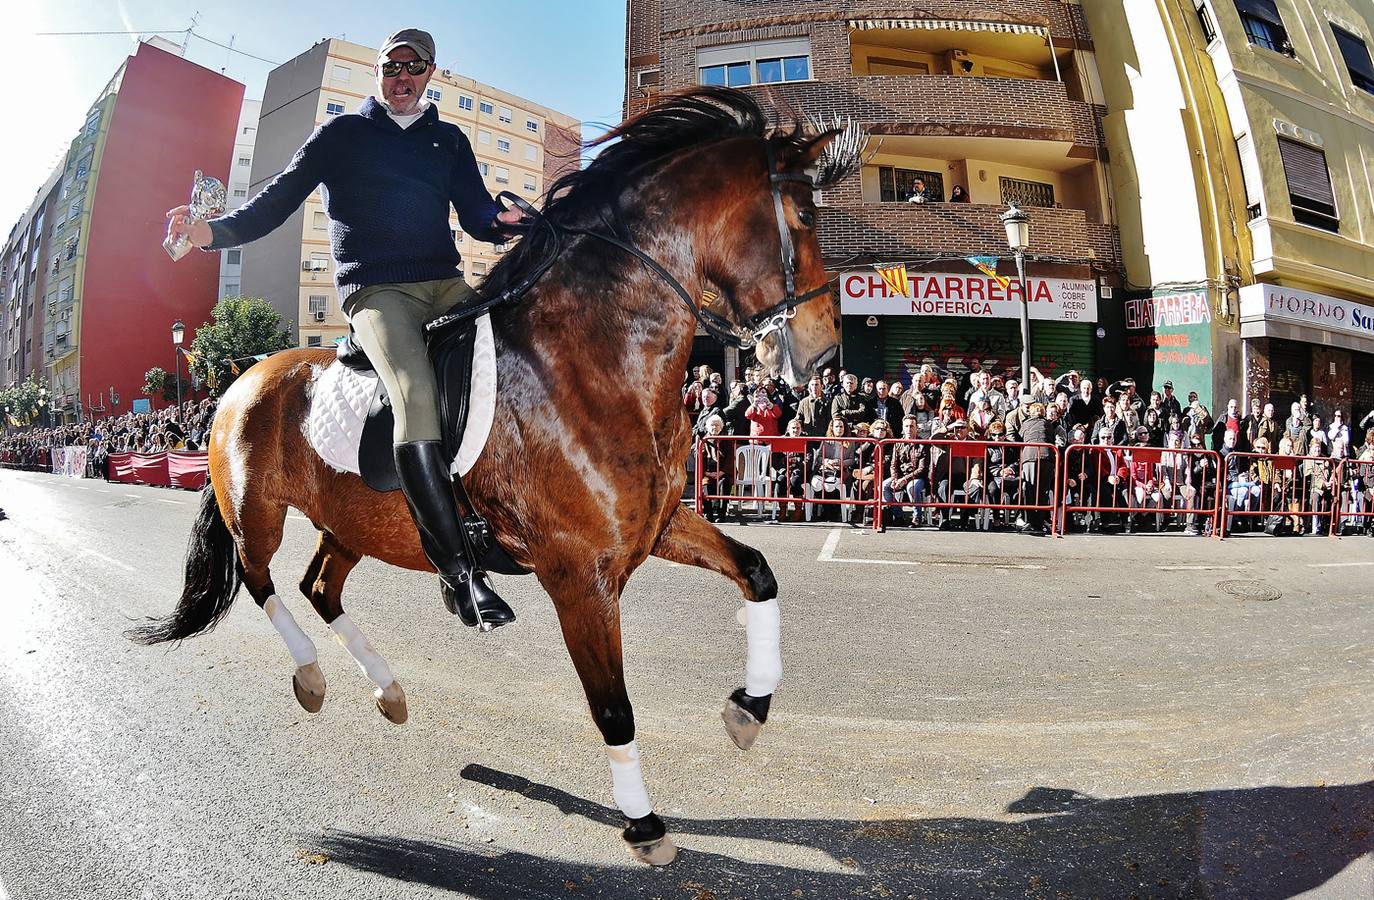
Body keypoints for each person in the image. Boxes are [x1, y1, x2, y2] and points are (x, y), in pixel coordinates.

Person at [165, 28, 526, 631]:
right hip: (378, 292)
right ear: (379, 73)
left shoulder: (449, 141)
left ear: (431, 72)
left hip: (446, 284)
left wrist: (505, 220)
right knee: (414, 393)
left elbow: (477, 213)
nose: (401, 77)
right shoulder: (342, 136)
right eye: (391, 67)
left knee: (517, 357)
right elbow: (275, 201)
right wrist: (210, 234)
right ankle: (459, 573)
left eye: (413, 67)